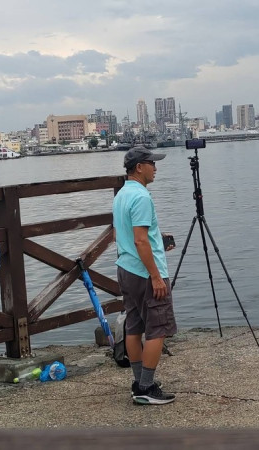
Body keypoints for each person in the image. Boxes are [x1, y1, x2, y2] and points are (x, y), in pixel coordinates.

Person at [113, 146, 178, 405]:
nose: (155, 167)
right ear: (139, 167)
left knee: (134, 325)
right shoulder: (141, 197)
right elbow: (141, 241)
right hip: (144, 271)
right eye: (152, 163)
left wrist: (158, 241)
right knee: (157, 328)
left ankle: (138, 382)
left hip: (126, 268)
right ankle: (147, 388)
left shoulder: (121, 195)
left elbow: (123, 235)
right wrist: (156, 276)